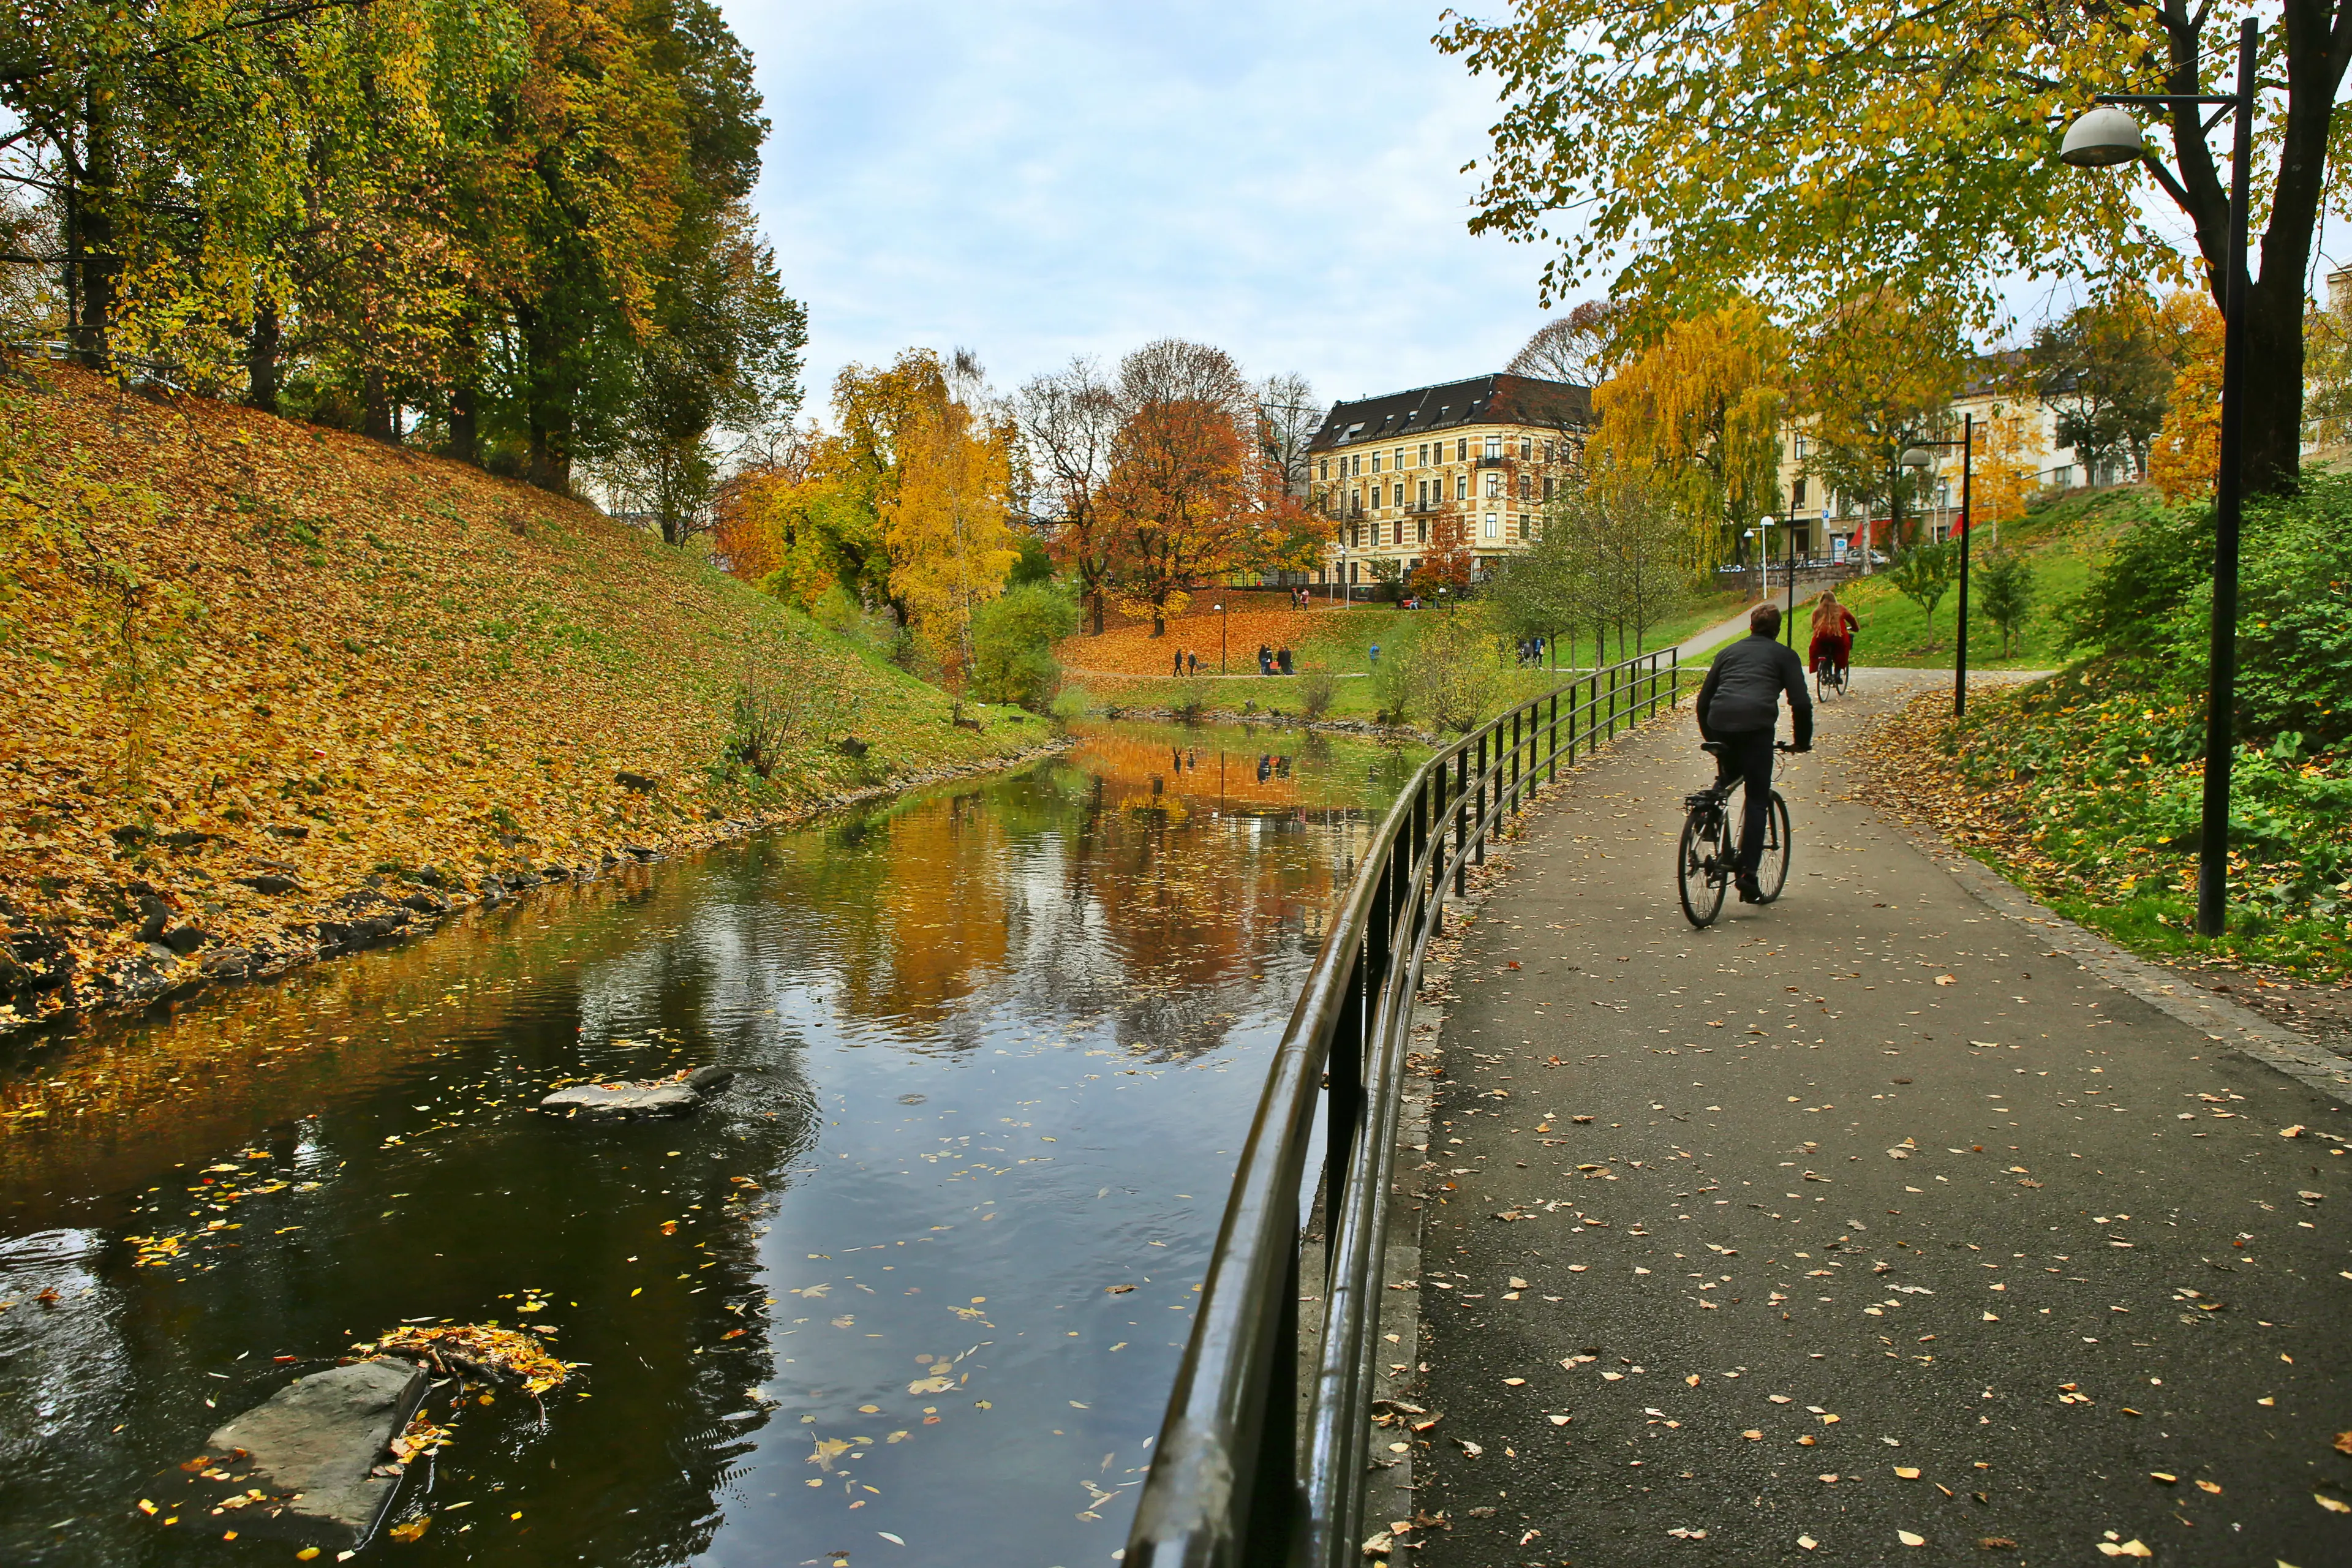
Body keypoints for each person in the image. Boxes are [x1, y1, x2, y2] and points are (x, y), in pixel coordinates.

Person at [1695, 603, 1813, 903]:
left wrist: (1714, 741)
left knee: (1729, 773)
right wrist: (1801, 742)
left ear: (1750, 627)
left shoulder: (1728, 653)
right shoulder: (1785, 656)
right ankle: (1748, 874)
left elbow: (1704, 701)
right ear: (1777, 630)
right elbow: (1800, 703)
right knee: (1758, 797)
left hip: (1720, 723)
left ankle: (1708, 812)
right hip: (1757, 729)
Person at [1808, 592, 1857, 679]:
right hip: (1838, 636)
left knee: (1820, 651)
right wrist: (1855, 628)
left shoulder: (1818, 611)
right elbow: (1851, 618)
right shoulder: (1841, 608)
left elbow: (1814, 625)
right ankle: (1837, 673)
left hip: (1822, 638)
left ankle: (1823, 670)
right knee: (1841, 651)